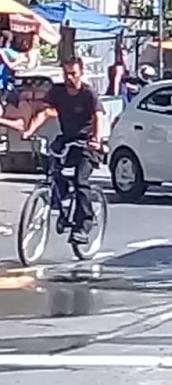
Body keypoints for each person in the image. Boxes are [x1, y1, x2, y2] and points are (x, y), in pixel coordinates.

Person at [21, 57, 106, 244]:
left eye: (73, 73)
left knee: (80, 180)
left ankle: (83, 225)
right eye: (66, 73)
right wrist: (29, 131)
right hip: (67, 139)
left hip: (87, 143)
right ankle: (62, 199)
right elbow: (44, 112)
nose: (69, 77)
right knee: (53, 168)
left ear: (81, 74)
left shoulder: (88, 92)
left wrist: (96, 140)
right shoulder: (58, 91)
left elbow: (98, 116)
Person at [0, 30, 28, 129]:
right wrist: (21, 59)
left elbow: (12, 65)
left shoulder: (3, 52)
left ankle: (16, 124)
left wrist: (21, 59)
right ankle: (15, 124)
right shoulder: (5, 52)